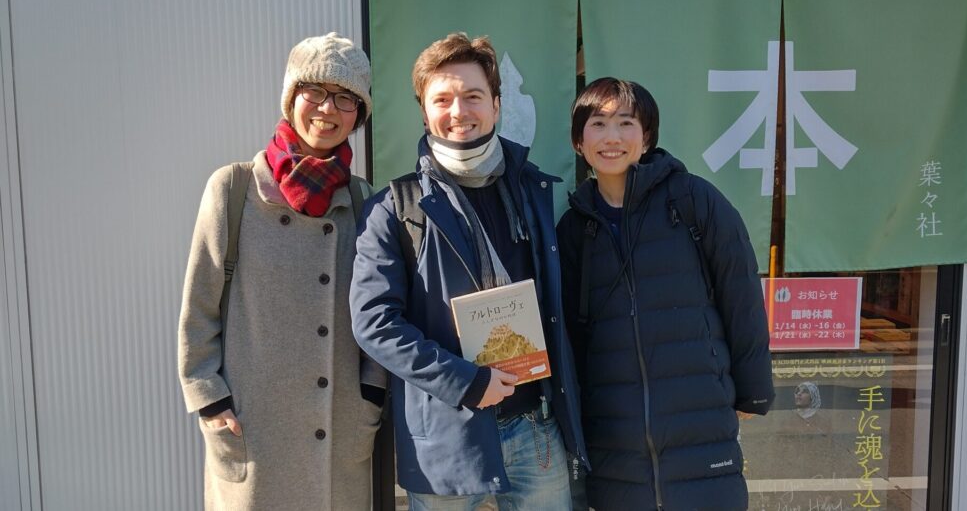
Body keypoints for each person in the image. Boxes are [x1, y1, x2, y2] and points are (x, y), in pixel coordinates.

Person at [350, 32, 587, 510]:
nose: (459, 111)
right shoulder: (395, 207)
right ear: (424, 113)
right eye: (442, 99)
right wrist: (466, 382)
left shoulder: (533, 190)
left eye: (473, 96)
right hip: (446, 437)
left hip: (536, 427)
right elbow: (374, 323)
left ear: (496, 106)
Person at [178, 33, 383, 510]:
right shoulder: (233, 189)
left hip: (339, 431)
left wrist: (371, 396)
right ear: (291, 97)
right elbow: (199, 308)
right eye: (316, 91)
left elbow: (380, 312)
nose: (328, 109)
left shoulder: (362, 200)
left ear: (359, 115)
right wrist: (210, 401)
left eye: (346, 98)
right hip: (253, 432)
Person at [557, 77, 775, 511]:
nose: (612, 137)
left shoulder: (693, 200)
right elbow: (570, 335)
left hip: (699, 420)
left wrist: (753, 389)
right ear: (579, 143)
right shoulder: (575, 228)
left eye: (626, 123)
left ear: (647, 136)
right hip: (614, 437)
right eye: (598, 124)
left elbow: (741, 292)